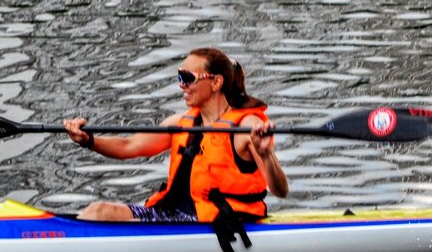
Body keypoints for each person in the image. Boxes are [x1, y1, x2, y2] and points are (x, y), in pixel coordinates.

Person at [63, 47, 288, 223]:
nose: (182, 85)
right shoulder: (181, 123)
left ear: (216, 82)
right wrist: (88, 140)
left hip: (218, 221)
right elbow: (128, 146)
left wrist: (265, 154)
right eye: (180, 77)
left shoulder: (247, 127)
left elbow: (280, 190)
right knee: (98, 211)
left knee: (101, 215)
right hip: (173, 214)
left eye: (188, 77)